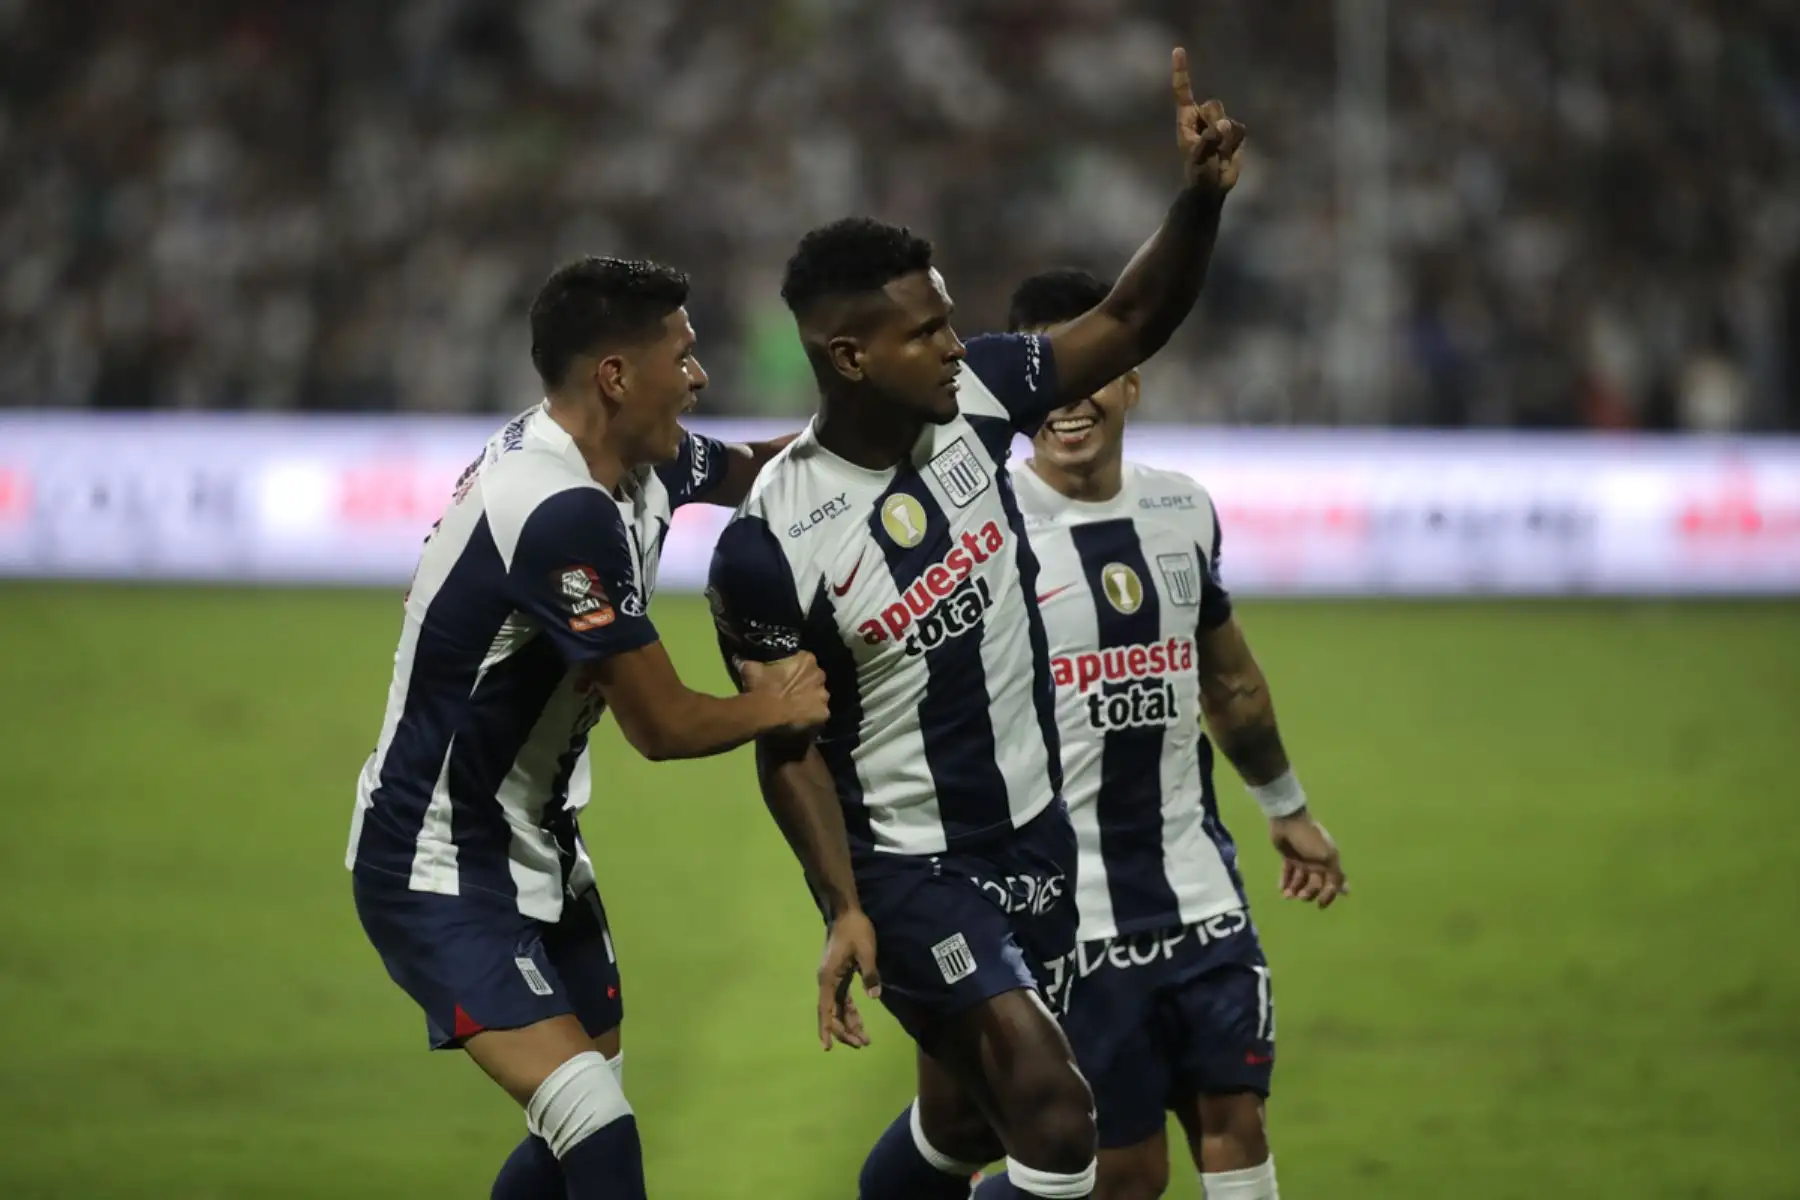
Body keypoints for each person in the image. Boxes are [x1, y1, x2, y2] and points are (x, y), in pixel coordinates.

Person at [706, 50, 1246, 1200]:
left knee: (960, 1127)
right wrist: (843, 905)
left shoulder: (984, 403)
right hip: (911, 869)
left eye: (952, 322)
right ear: (852, 357)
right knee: (1056, 1119)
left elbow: (1134, 316)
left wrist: (1198, 197)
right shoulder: (770, 544)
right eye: (927, 333)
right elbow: (786, 748)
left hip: (1036, 836)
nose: (959, 344)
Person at [345, 255, 826, 1200]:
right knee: (600, 1136)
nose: (699, 378)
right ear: (615, 375)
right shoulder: (558, 506)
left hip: (538, 844)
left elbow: (752, 470)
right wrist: (778, 704)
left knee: (580, 1123)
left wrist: (872, 435)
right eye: (682, 357)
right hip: (437, 859)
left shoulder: (630, 458)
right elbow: (661, 722)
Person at [968, 268, 1346, 1200]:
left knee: (1239, 1121)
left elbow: (1231, 679)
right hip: (1070, 914)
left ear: (1131, 375)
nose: (1072, 399)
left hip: (1198, 890)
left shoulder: (1183, 509)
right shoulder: (984, 528)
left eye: (1093, 369)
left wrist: (1286, 806)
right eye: (1049, 377)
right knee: (1127, 1176)